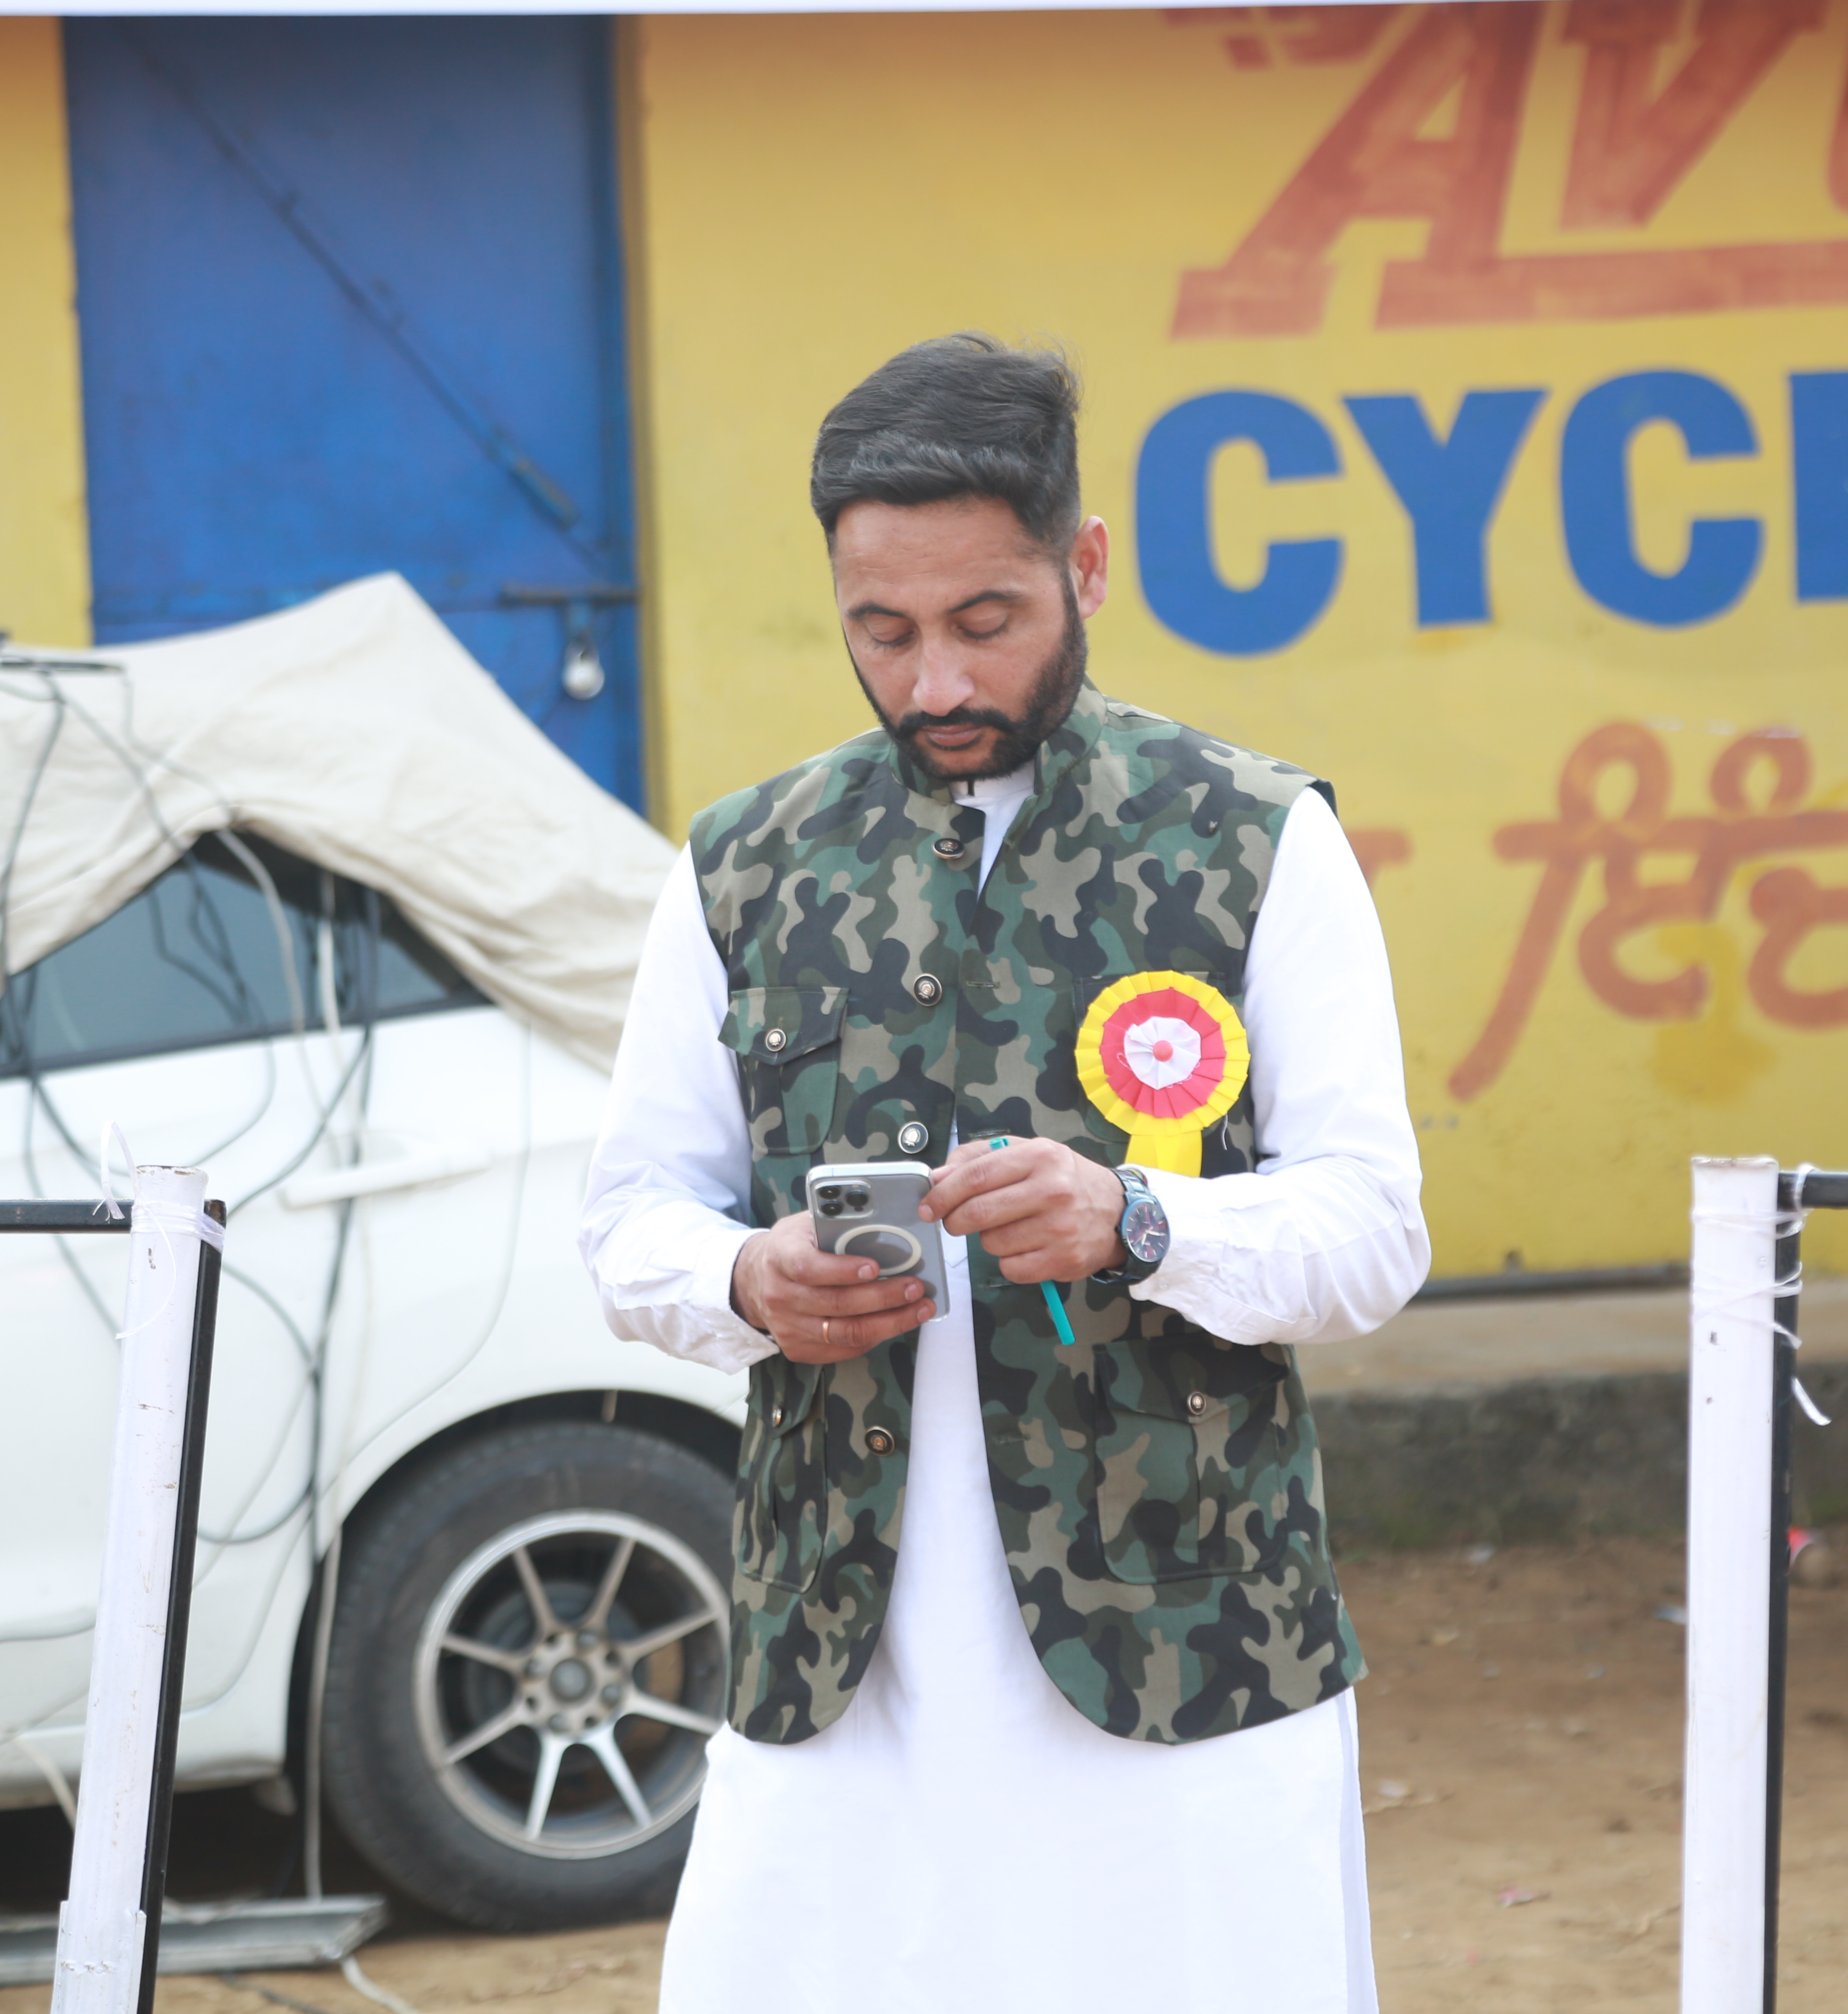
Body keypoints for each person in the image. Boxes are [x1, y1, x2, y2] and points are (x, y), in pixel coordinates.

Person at [578, 333, 1429, 2012]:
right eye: (883, 633)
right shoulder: (743, 866)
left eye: (987, 621)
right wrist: (745, 1278)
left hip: (1187, 1650)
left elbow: (1371, 1232)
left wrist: (1143, 1220)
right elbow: (626, 1225)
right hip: (839, 1654)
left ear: (1084, 566)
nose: (936, 685)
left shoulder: (1255, 839)